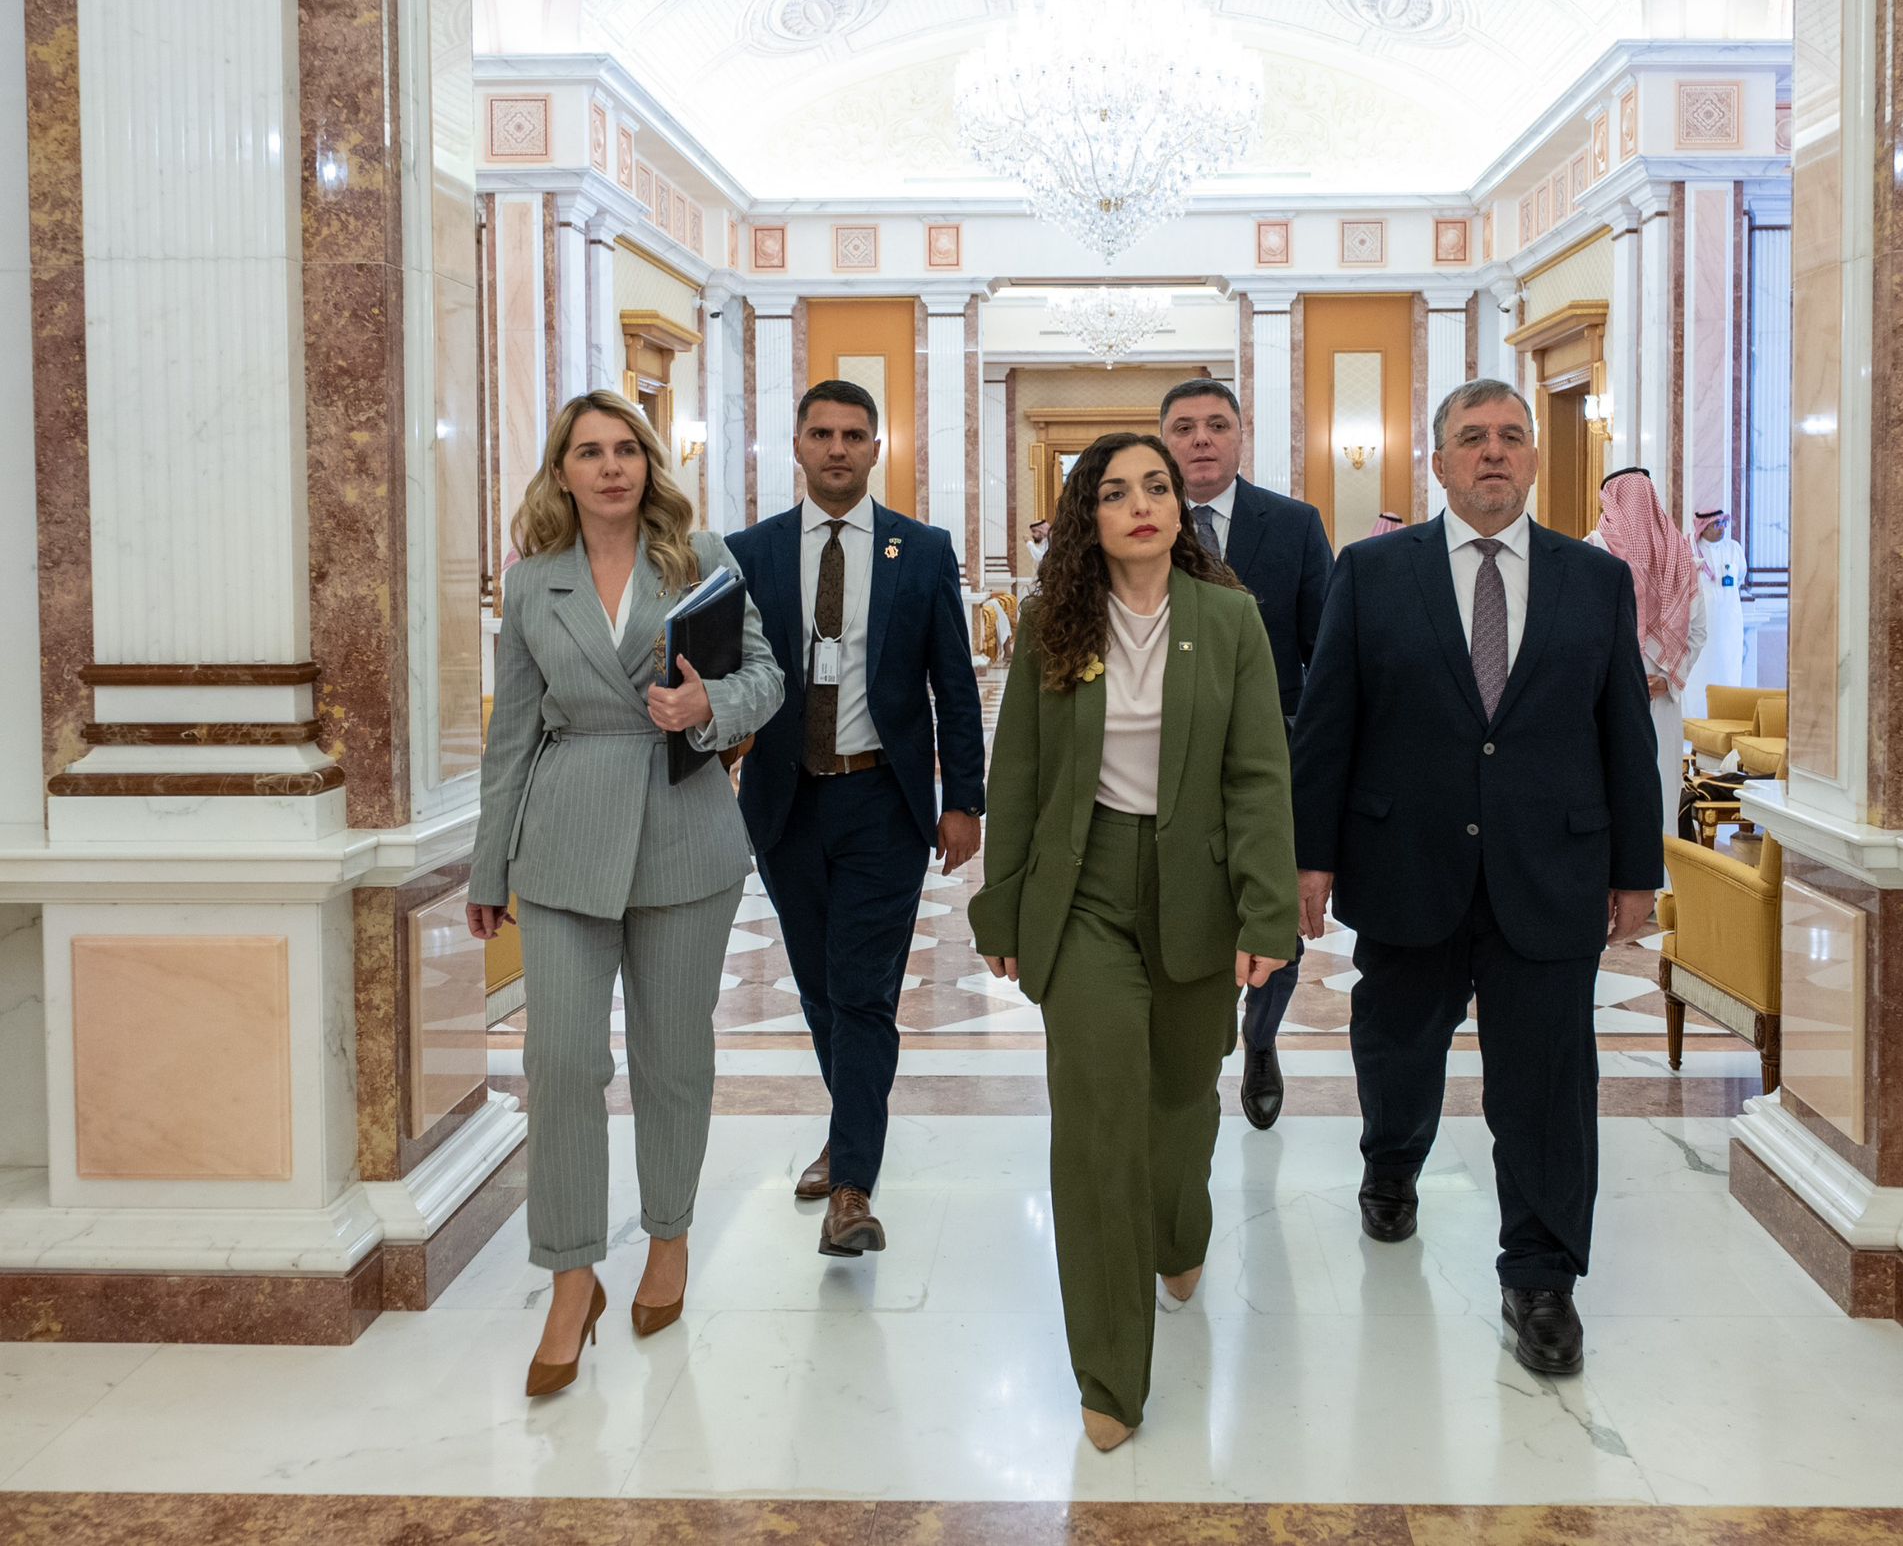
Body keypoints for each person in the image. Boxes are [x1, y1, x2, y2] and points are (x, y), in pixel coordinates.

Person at [1293, 380, 1660, 1379]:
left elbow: (1624, 732)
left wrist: (1637, 868)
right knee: (1397, 1047)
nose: (1492, 452)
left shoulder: (1596, 579)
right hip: (1404, 861)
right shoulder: (1372, 573)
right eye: (1471, 438)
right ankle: (1390, 1161)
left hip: (1551, 869)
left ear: (1533, 457)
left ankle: (1541, 1274)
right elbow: (1327, 725)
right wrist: (1310, 855)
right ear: (1439, 461)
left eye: (1509, 436)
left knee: (1546, 1080)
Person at [970, 431, 1296, 1450]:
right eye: (1116, 492)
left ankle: (1179, 1225)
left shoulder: (1229, 619)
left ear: (1177, 509)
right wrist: (1000, 906)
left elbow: (1258, 775)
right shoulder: (1055, 622)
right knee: (1098, 1123)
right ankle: (1109, 1372)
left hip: (1197, 884)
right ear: (1090, 517)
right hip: (1084, 892)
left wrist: (1267, 911)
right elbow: (1019, 771)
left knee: (1181, 1100)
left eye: (1156, 487)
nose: (1142, 504)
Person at [468, 389, 783, 1398]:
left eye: (626, 450)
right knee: (560, 1060)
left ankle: (668, 1237)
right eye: (589, 452)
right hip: (564, 838)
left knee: (671, 1057)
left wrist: (706, 704)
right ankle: (571, 1277)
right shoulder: (533, 583)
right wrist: (487, 864)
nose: (610, 467)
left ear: (649, 464)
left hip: (684, 831)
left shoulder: (700, 558)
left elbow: (767, 678)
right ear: (561, 473)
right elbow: (511, 733)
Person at [726, 379, 985, 1258]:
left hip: (884, 801)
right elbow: (730, 678)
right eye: (822, 433)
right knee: (817, 988)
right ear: (797, 445)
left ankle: (852, 1187)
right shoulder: (750, 552)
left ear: (878, 448)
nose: (837, 448)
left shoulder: (922, 549)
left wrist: (964, 801)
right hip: (787, 801)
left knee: (864, 992)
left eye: (853, 434)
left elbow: (954, 685)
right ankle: (849, 1133)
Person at [1158, 379, 1333, 1128]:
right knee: (1178, 908)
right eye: (1184, 427)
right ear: (1163, 441)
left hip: (1272, 758)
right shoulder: (1136, 518)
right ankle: (1190, 1047)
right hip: (1159, 762)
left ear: (1240, 435)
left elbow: (1328, 657)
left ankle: (1261, 1040)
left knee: (1275, 912)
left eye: (1216, 425)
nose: (1201, 439)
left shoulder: (1293, 525)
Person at [1588, 468, 1708, 847]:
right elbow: (1698, 632)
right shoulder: (1679, 553)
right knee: (1655, 789)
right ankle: (1660, 878)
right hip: (1655, 698)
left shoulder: (1595, 548)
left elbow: (1585, 632)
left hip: (1617, 698)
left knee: (1630, 789)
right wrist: (1669, 679)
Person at [1684, 507, 1749, 717]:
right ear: (1703, 527)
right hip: (1700, 628)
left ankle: (1727, 717)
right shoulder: (1689, 549)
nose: (1722, 528)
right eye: (1716, 524)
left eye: (1723, 523)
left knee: (1728, 671)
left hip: (1729, 625)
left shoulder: (1733, 549)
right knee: (1699, 675)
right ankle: (1697, 721)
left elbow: (1740, 577)